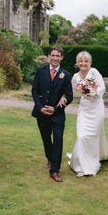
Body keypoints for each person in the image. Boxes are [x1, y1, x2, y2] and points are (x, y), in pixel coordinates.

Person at [31, 46, 74, 183]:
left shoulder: (66, 75)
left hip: (57, 115)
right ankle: (50, 159)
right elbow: (34, 91)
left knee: (58, 139)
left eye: (58, 56)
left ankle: (54, 170)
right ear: (49, 56)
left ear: (61, 57)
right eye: (53, 55)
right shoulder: (40, 71)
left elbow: (69, 96)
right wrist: (40, 108)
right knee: (46, 139)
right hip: (41, 113)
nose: (55, 58)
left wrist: (55, 109)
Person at [68, 51, 108, 177]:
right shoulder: (75, 77)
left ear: (89, 62)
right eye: (81, 61)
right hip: (84, 109)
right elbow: (70, 91)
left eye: (86, 61)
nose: (83, 63)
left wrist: (94, 94)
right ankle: (80, 164)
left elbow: (102, 87)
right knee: (82, 136)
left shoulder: (94, 72)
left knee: (92, 136)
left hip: (96, 108)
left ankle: (91, 164)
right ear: (77, 63)